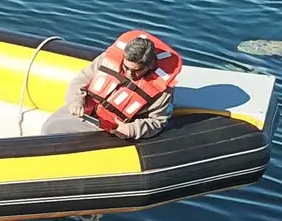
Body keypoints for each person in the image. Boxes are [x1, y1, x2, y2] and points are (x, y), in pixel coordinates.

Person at [42, 30, 180, 139]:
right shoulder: (107, 60)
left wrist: (132, 129)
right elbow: (81, 79)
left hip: (110, 129)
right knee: (49, 127)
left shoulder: (162, 91)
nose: (129, 73)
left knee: (53, 131)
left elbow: (157, 122)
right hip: (84, 110)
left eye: (136, 70)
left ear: (149, 65)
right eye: (126, 68)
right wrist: (76, 102)